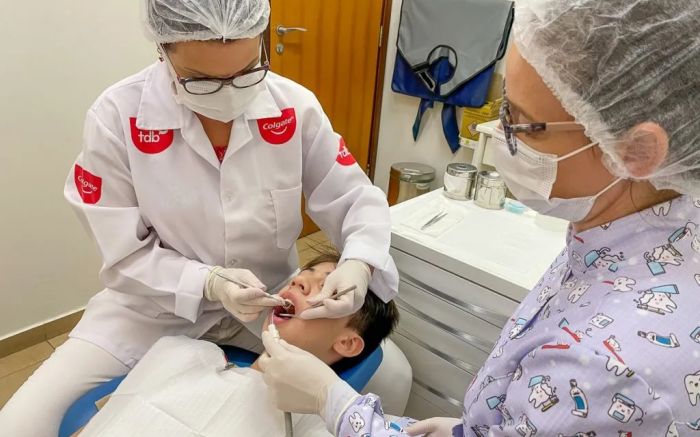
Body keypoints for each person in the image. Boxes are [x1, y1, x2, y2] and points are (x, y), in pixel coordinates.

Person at [260, 1, 700, 435]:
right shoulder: (619, 234)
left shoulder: (615, 369)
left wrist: (333, 403)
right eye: (503, 107)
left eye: (521, 123)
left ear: (637, 152)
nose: (497, 133)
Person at [0, 1, 398, 434]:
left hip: (265, 304)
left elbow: (354, 197)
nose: (230, 91)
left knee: (392, 371)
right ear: (164, 50)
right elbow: (124, 255)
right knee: (20, 423)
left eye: (247, 71)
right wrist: (207, 282)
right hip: (153, 308)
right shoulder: (117, 118)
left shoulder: (294, 108)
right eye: (204, 81)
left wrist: (360, 261)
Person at [76, 252, 399, 436]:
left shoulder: (317, 429)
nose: (300, 279)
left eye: (326, 287)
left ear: (347, 343)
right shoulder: (181, 353)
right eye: (307, 272)